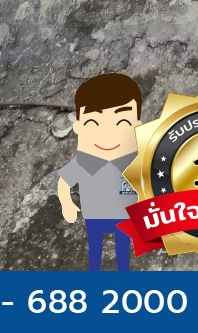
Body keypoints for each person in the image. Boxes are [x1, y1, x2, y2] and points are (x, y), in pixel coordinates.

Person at [57, 73, 142, 270]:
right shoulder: (84, 161)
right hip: (94, 215)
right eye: (94, 123)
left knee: (122, 250)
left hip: (124, 214)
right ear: (79, 127)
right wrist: (67, 204)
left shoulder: (133, 160)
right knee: (95, 250)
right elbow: (64, 182)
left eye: (121, 123)